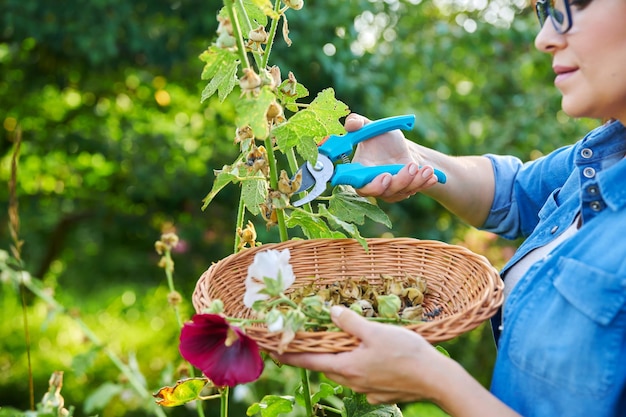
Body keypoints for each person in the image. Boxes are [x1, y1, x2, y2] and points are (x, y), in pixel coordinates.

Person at [273, 0, 626, 416]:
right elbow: (512, 192)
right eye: (545, 10)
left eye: (577, 5)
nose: (544, 37)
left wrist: (432, 377)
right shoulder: (606, 155)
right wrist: (413, 162)